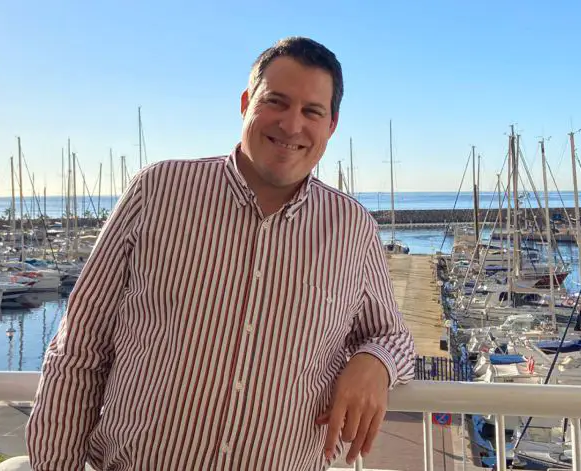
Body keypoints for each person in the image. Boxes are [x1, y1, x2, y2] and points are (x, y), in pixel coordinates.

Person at [26, 36, 415, 470]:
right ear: (246, 103)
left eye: (312, 111)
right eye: (276, 102)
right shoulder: (158, 192)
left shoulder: (352, 226)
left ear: (331, 125)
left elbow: (393, 335)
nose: (291, 125)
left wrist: (373, 363)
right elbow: (79, 349)